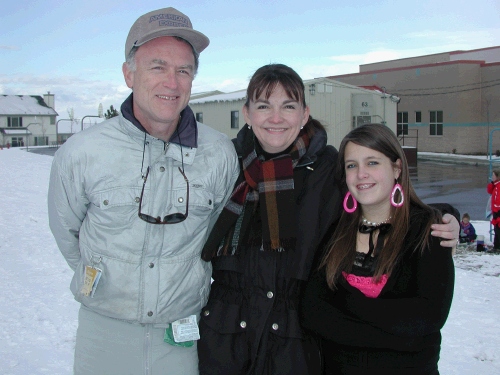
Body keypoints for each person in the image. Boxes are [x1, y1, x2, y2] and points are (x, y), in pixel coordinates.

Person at [197, 65, 460, 375]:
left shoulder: (328, 170)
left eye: (289, 106)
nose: (276, 117)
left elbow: (378, 193)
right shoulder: (223, 165)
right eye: (264, 106)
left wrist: (444, 216)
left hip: (294, 347)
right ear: (247, 113)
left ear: (305, 114)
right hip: (227, 342)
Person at [47, 7, 239, 375]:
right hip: (103, 334)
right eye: (158, 66)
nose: (172, 82)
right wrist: (110, 284)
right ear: (128, 74)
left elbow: (218, 233)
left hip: (180, 337)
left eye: (183, 70)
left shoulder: (218, 153)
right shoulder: (83, 152)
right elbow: (68, 232)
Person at [301, 123, 456, 375]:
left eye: (372, 162)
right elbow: (312, 313)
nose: (361, 174)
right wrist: (399, 336)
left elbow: (428, 317)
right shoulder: (336, 232)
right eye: (352, 165)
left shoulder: (427, 231)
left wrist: (345, 305)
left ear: (396, 168)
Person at [487, 169, 500, 249]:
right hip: (495, 211)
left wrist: (497, 210)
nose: (492, 177)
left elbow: (497, 199)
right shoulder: (495, 185)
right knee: (496, 230)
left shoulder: (499, 186)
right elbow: (489, 191)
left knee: (498, 230)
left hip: (498, 211)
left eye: (493, 175)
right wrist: (492, 183)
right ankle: (496, 246)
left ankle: (497, 247)